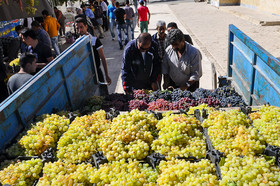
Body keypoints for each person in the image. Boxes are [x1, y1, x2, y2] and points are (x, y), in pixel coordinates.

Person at [75, 17, 111, 95]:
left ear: (86, 26)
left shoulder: (94, 40)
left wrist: (107, 75)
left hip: (97, 73)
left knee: (104, 96)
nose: (79, 30)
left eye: (81, 27)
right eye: (77, 28)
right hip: (85, 75)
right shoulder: (77, 43)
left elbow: (103, 59)